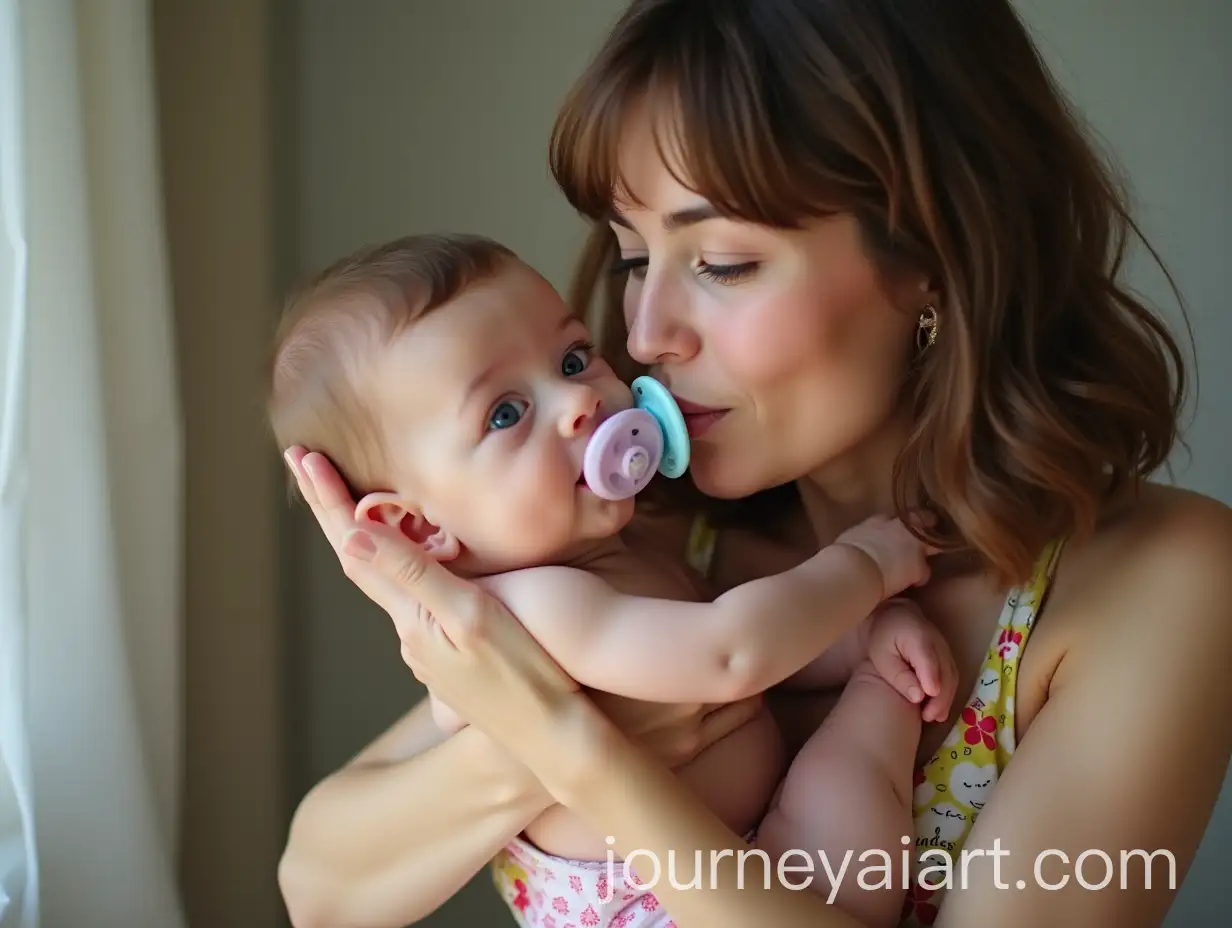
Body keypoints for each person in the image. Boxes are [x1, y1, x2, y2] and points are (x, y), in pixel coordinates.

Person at [277, 1, 1232, 927]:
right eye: (632, 258)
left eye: (722, 264)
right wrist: (524, 750)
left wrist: (577, 751)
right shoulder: (640, 544)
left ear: (934, 256)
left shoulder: (1162, 582)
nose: (645, 337)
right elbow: (319, 888)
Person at [267, 230, 957, 927]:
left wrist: (858, 637)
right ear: (418, 529)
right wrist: (864, 569)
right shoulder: (535, 606)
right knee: (847, 788)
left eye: (572, 359)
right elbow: (729, 654)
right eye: (505, 413)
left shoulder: (625, 552)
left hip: (741, 871)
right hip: (658, 907)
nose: (579, 400)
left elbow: (748, 656)